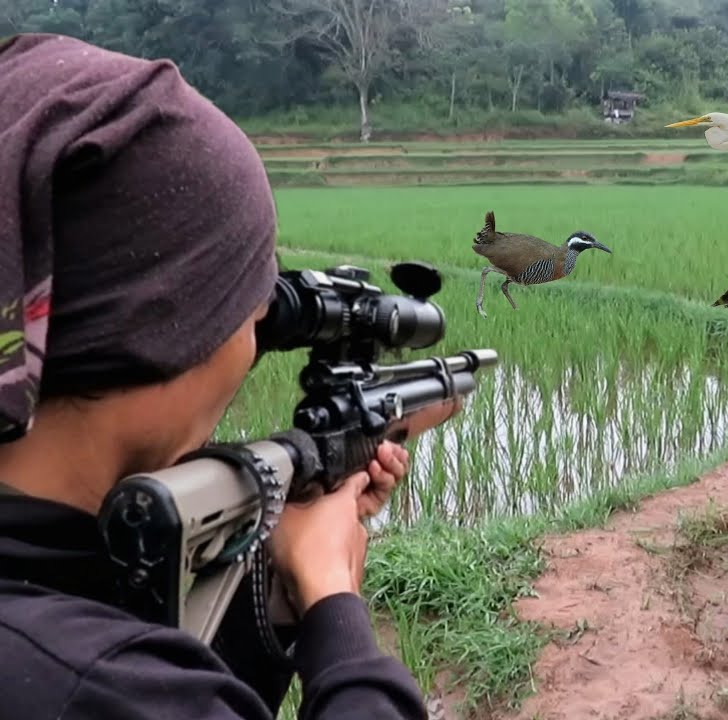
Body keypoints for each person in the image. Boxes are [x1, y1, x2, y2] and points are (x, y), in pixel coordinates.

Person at [0, 33, 462, 718]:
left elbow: (171, 672)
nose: (251, 346)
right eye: (252, 315)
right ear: (165, 336)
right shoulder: (90, 687)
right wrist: (334, 603)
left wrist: (274, 592)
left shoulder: (56, 612)